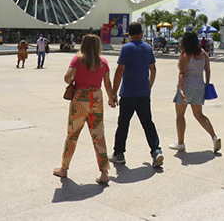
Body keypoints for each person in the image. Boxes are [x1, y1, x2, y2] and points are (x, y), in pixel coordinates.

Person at [54, 34, 115, 184]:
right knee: (98, 135)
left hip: (80, 100)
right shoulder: (103, 62)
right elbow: (107, 83)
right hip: (96, 99)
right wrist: (111, 98)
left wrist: (75, 78)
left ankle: (64, 168)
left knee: (72, 134)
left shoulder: (77, 60)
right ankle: (104, 172)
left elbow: (67, 78)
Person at [111, 22, 163, 168]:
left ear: (129, 34)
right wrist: (149, 86)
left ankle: (119, 154)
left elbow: (120, 70)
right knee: (148, 123)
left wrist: (113, 92)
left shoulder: (126, 48)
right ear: (141, 33)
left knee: (123, 124)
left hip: (128, 93)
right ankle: (156, 151)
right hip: (143, 93)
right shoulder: (148, 48)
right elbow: (153, 69)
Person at [169, 32, 220, 153]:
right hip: (199, 87)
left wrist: (181, 89)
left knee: (180, 115)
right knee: (199, 115)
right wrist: (207, 83)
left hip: (187, 87)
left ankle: (180, 143)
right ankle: (214, 136)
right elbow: (207, 70)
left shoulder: (185, 55)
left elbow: (182, 73)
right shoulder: (203, 53)